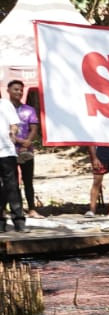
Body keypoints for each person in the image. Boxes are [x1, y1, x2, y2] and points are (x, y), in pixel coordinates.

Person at [8, 80, 38, 218]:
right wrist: (19, 141)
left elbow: (34, 127)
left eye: (21, 90)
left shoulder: (28, 110)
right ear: (8, 91)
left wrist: (28, 141)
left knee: (28, 181)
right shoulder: (4, 110)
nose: (19, 92)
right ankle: (17, 210)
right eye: (15, 89)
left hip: (26, 151)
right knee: (12, 182)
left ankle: (32, 209)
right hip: (8, 151)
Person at [0, 92, 23, 232]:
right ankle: (1, 221)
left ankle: (19, 221)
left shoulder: (5, 104)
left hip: (6, 152)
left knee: (12, 187)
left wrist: (13, 133)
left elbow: (14, 124)